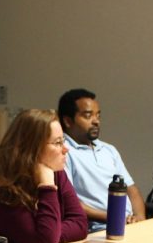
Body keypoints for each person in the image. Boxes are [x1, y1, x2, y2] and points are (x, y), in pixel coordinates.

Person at [0, 108, 88, 243]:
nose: (65, 149)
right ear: (32, 147)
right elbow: (46, 241)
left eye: (63, 141)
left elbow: (80, 224)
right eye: (57, 142)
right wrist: (47, 187)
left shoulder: (55, 172)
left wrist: (42, 238)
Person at [57, 88, 147, 227]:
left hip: (129, 226)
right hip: (99, 230)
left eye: (98, 116)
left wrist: (140, 218)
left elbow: (131, 189)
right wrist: (114, 218)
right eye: (88, 116)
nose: (96, 122)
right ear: (68, 121)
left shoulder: (109, 150)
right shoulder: (63, 151)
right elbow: (70, 203)